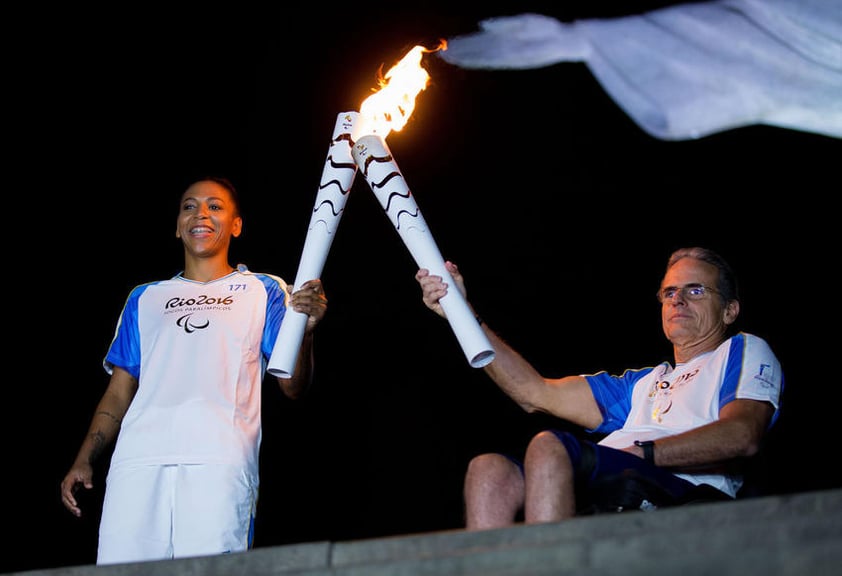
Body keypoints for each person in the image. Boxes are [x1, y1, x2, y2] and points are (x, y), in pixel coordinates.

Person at [415, 247, 783, 530]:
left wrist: (643, 454)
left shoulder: (740, 350)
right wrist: (463, 314)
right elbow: (534, 393)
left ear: (729, 310)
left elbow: (742, 434)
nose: (677, 299)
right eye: (668, 292)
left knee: (549, 446)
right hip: (622, 476)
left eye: (695, 289)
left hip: (685, 490)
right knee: (489, 470)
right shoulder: (642, 383)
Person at [60, 176, 328, 564]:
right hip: (137, 463)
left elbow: (292, 387)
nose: (201, 213)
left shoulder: (266, 290)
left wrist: (305, 333)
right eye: (190, 206)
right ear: (177, 225)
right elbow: (119, 392)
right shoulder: (145, 297)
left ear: (236, 225)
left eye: (215, 206)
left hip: (218, 462)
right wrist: (84, 456)